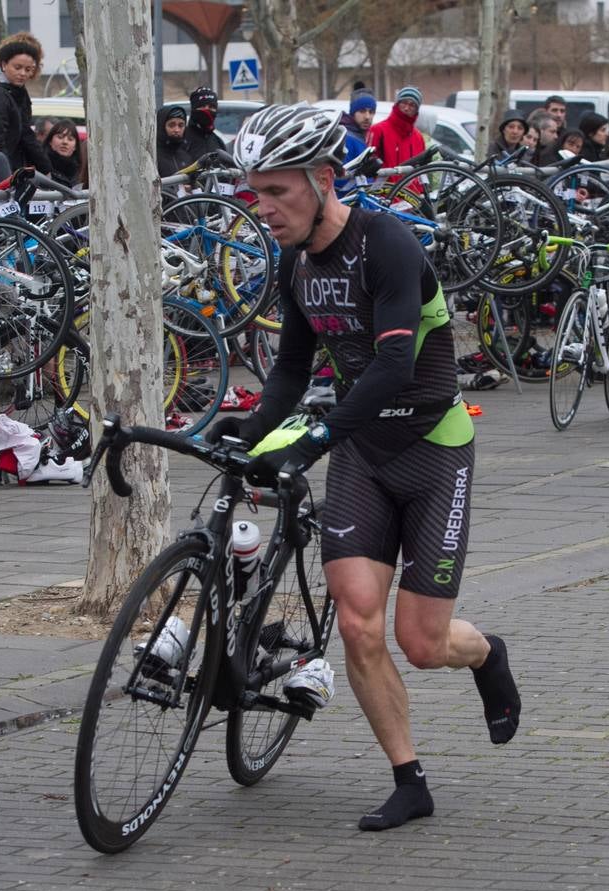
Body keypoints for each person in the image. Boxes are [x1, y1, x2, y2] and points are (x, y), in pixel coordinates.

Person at [208, 103, 520, 831]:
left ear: (322, 179)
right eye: (256, 192)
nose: (264, 208)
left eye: (278, 191)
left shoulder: (388, 246)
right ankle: (409, 779)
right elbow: (288, 372)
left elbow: (390, 366)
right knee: (357, 623)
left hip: (433, 449)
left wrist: (311, 441)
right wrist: (253, 435)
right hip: (363, 454)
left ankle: (487, 656)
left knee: (422, 642)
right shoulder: (294, 264)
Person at [0, 32, 50, 172]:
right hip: (3, 170)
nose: (23, 73)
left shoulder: (16, 91)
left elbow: (25, 135)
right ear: (4, 64)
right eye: (18, 67)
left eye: (28, 69)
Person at [366, 85, 426, 167]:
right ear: (397, 104)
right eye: (404, 103)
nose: (406, 108)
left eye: (412, 105)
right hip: (385, 180)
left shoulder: (418, 138)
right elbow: (367, 165)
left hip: (410, 180)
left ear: (416, 110)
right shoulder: (378, 130)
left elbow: (421, 170)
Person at [181, 85, 227, 159]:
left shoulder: (218, 141)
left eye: (211, 107)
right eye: (202, 106)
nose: (207, 110)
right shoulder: (181, 139)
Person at [43, 118, 86, 187]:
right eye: (60, 137)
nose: (65, 142)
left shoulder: (80, 171)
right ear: (50, 141)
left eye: (70, 139)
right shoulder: (41, 168)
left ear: (75, 147)